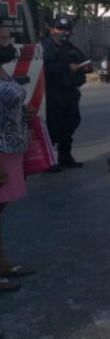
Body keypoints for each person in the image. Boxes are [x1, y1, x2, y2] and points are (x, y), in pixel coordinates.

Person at [0, 27, 36, 294]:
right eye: (0, 39)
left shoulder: (1, 69)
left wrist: (24, 111)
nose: (7, 43)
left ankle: (3, 264)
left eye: (6, 38)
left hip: (11, 147)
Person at [42, 15, 93, 170]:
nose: (63, 32)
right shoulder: (44, 47)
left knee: (71, 122)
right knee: (52, 127)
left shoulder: (70, 47)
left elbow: (85, 61)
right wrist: (66, 68)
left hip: (70, 92)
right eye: (60, 29)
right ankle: (48, 161)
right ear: (52, 30)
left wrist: (86, 67)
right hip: (52, 92)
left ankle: (65, 157)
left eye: (66, 30)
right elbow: (43, 70)